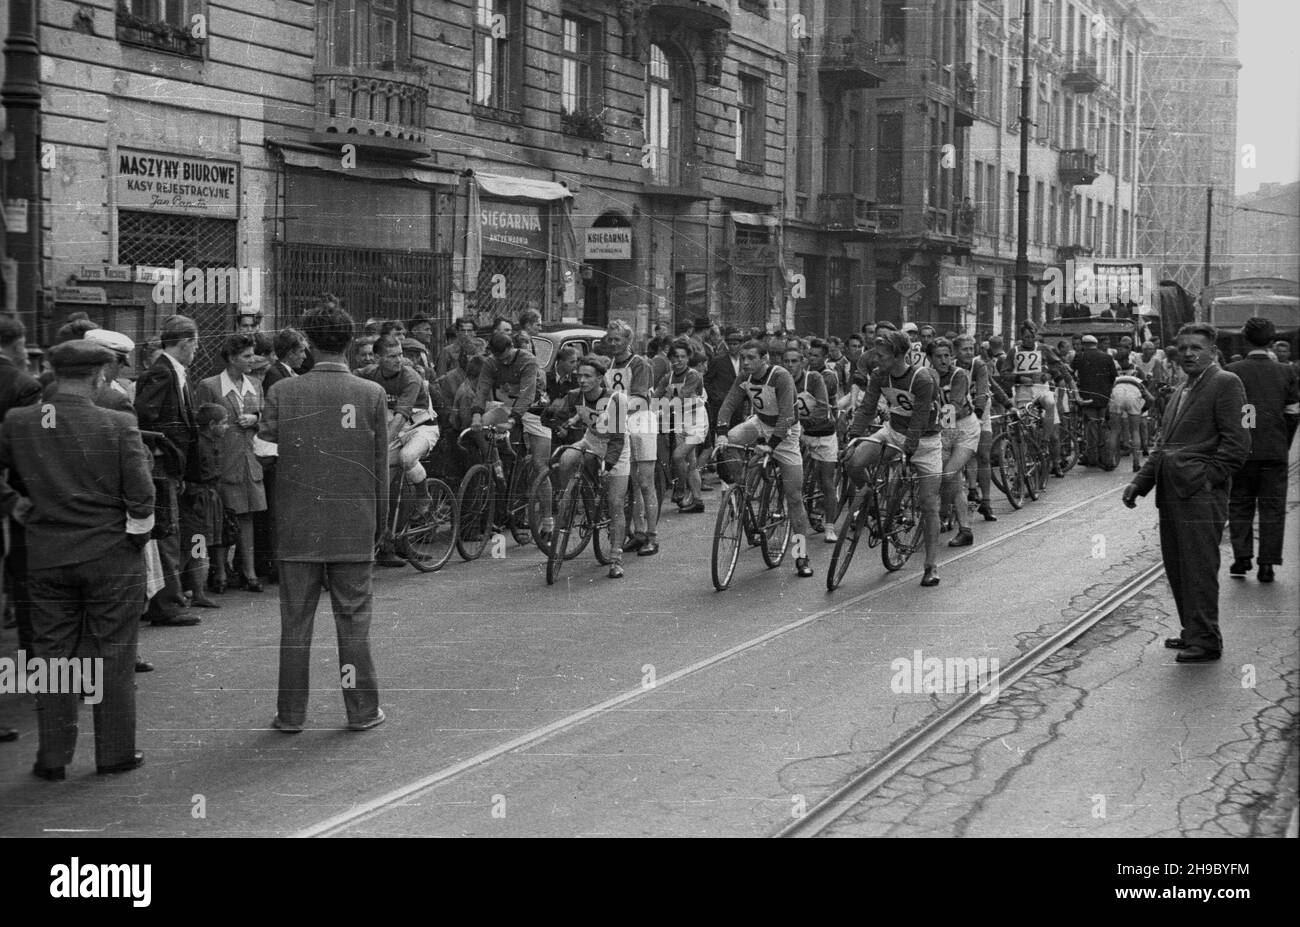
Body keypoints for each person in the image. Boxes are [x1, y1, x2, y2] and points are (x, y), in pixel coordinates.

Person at [0, 340, 155, 778]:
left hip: (46, 555)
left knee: (52, 658)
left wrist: (14, 503)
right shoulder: (118, 424)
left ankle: (53, 759)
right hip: (110, 556)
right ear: (100, 376)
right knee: (113, 655)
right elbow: (142, 499)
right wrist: (132, 536)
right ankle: (114, 754)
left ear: (52, 371)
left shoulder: (19, 422)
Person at [260, 302, 388, 732]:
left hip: (297, 527)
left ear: (309, 343)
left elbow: (264, 450)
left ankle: (291, 715)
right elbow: (379, 468)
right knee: (353, 624)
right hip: (354, 525)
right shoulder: (371, 394)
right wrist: (379, 525)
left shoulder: (282, 392)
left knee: (295, 626)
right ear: (350, 342)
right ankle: (362, 712)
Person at [1123, 323, 1251, 664]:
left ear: (1213, 351)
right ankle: (1192, 630)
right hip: (1173, 492)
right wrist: (1141, 482)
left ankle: (1206, 639)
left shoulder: (1227, 383)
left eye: (1197, 347)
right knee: (1179, 565)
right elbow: (1163, 445)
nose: (1189, 353)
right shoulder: (1183, 388)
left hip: (1199, 493)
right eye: (1183, 348)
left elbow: (1239, 443)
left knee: (1198, 566)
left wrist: (1208, 479)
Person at [843, 330, 944, 587]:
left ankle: (931, 566)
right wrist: (854, 437)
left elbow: (920, 418)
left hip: (926, 443)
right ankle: (872, 499)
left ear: (899, 356)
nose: (877, 360)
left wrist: (910, 448)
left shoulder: (921, 379)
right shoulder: (879, 375)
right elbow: (867, 408)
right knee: (854, 461)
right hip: (893, 432)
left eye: (882, 355)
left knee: (929, 504)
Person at [715, 340, 815, 579]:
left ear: (764, 359)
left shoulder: (780, 377)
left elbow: (788, 416)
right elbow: (728, 404)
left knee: (793, 497)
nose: (746, 362)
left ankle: (801, 556)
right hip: (760, 423)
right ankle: (741, 487)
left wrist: (770, 447)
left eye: (751, 358)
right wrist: (720, 433)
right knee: (731, 439)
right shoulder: (744, 376)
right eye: (743, 358)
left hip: (786, 433)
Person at [133, 315, 201, 628]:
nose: (197, 349)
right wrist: (167, 451)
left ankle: (168, 600)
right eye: (195, 343)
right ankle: (168, 604)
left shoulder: (171, 370)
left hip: (169, 465)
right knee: (167, 533)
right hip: (162, 467)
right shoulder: (162, 372)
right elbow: (145, 418)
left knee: (168, 533)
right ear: (186, 342)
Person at [1226, 317, 1300, 583]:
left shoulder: (1233, 370)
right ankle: (1267, 563)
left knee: (1239, 504)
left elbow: (1226, 413)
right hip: (1274, 452)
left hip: (1241, 452)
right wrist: (1283, 440)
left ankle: (1241, 558)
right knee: (1272, 508)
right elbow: (1293, 412)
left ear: (1245, 339)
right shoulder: (1286, 372)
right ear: (1272, 341)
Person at [195, 333, 268, 592]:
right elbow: (202, 425)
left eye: (252, 354)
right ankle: (221, 572)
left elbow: (265, 418)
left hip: (249, 460)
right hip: (222, 459)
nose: (252, 360)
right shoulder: (210, 385)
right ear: (231, 358)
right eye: (246, 356)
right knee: (222, 516)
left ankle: (248, 572)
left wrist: (255, 419)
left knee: (247, 516)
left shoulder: (255, 384)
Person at [551, 355, 632, 578]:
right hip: (591, 441)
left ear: (599, 378)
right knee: (566, 459)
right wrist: (561, 427)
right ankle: (568, 498)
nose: (582, 380)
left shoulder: (616, 399)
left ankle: (615, 559)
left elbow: (617, 439)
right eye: (579, 376)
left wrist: (610, 464)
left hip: (616, 449)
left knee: (615, 502)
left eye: (588, 376)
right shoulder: (574, 396)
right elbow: (557, 416)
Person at [603, 320, 660, 556]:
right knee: (630, 484)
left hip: (641, 424)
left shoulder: (640, 364)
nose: (614, 343)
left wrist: (617, 412)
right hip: (620, 425)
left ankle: (652, 536)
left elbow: (640, 399)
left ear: (628, 340)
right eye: (611, 339)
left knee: (645, 482)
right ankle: (637, 533)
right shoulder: (608, 365)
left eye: (618, 339)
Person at [931, 338, 980, 547]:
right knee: (952, 480)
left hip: (965, 428)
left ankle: (942, 514)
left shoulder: (959, 375)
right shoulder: (926, 375)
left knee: (949, 473)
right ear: (929, 358)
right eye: (938, 356)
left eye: (946, 355)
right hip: (944, 429)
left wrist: (938, 427)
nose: (943, 360)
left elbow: (955, 405)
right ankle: (965, 530)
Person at [181, 403, 227, 607]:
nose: (226, 427)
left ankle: (194, 589)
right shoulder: (199, 445)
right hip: (198, 502)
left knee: (198, 547)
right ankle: (195, 591)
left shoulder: (209, 442)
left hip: (207, 499)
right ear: (212, 424)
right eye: (224, 423)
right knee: (196, 546)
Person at [656, 339, 707, 513]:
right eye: (675, 357)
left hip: (696, 419)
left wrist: (665, 403)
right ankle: (698, 501)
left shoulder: (693, 375)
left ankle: (680, 490)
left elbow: (683, 396)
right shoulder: (667, 377)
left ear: (688, 358)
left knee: (678, 456)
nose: (679, 360)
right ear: (670, 358)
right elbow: (656, 396)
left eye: (683, 357)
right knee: (690, 462)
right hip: (679, 420)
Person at [1071, 334, 1119, 468]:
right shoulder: (1107, 357)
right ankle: (1106, 457)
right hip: (1104, 397)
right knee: (1103, 426)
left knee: (1090, 427)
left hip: (1087, 397)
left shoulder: (1080, 357)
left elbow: (1070, 373)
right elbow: (1114, 377)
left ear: (1084, 345)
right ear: (1096, 344)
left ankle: (1092, 458)